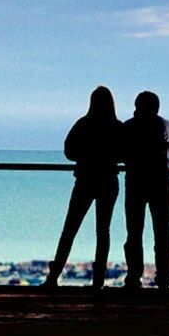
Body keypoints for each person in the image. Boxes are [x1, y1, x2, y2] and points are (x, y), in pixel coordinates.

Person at [41, 86, 123, 291]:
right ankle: (98, 280)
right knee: (103, 231)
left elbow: (69, 151)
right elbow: (125, 153)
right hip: (109, 181)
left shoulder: (83, 124)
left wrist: (86, 157)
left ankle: (54, 275)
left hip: (85, 180)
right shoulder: (117, 127)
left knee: (70, 228)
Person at [122, 91, 169, 290]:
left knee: (134, 233)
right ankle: (164, 278)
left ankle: (134, 276)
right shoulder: (165, 125)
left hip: (135, 182)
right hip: (161, 181)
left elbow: (123, 152)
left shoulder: (129, 127)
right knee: (162, 234)